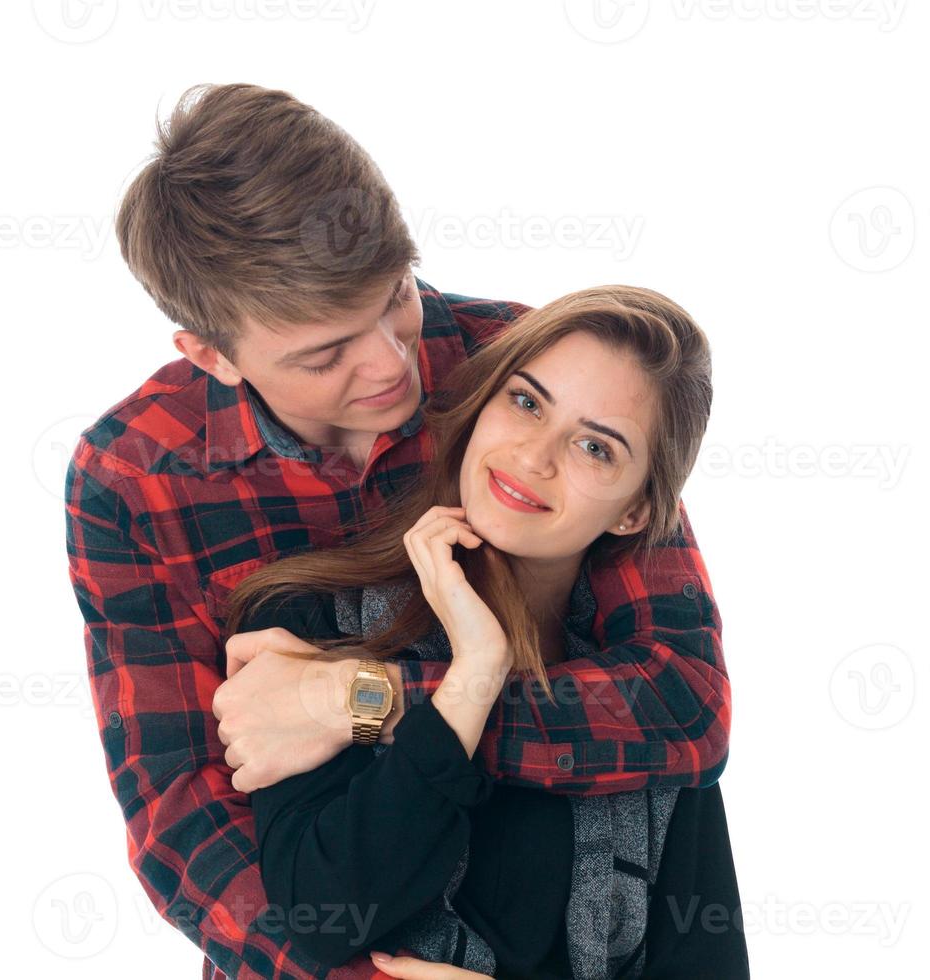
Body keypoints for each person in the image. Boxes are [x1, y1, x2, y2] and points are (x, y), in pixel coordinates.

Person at [65, 82, 731, 979]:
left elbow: (678, 700)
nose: (391, 362)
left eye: (395, 297)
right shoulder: (134, 477)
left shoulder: (523, 370)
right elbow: (183, 821)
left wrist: (355, 703)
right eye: (324, 352)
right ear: (212, 354)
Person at [226, 287, 748, 978]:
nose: (535, 456)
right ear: (480, 408)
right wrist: (472, 673)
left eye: (596, 446)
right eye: (527, 402)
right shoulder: (309, 620)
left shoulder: (646, 713)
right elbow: (324, 914)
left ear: (635, 512)